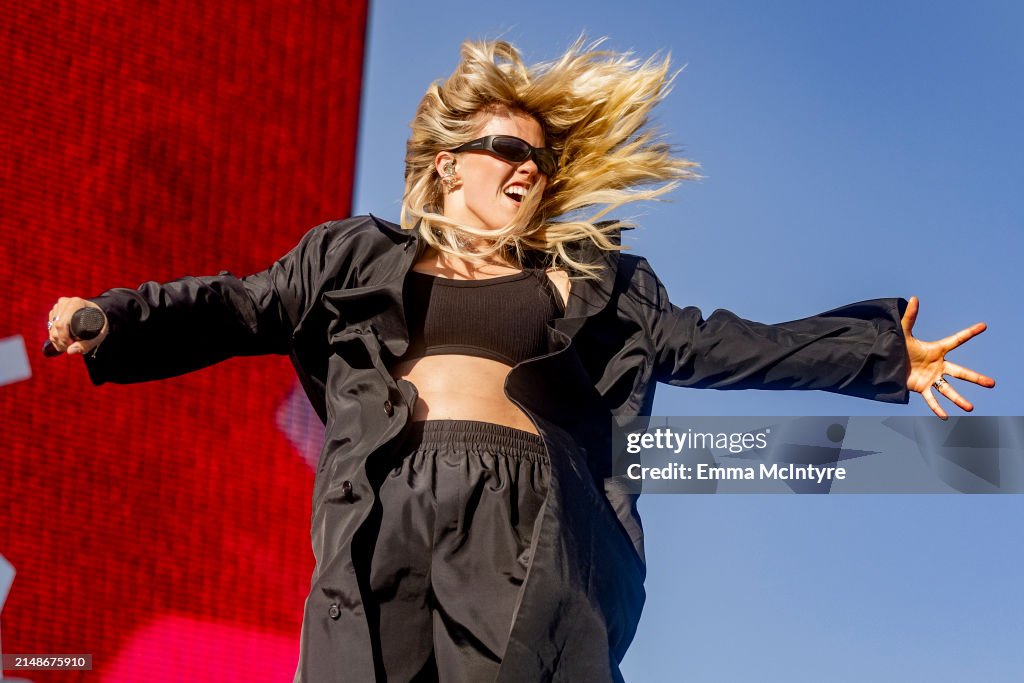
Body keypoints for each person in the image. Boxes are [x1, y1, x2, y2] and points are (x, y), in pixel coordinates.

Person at [45, 38, 994, 683]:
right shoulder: (350, 256)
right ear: (448, 163)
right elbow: (239, 305)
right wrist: (113, 319)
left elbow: (715, 343)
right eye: (507, 148)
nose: (527, 167)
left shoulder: (591, 280)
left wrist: (880, 355)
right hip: (385, 497)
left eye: (539, 159)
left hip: (523, 506)